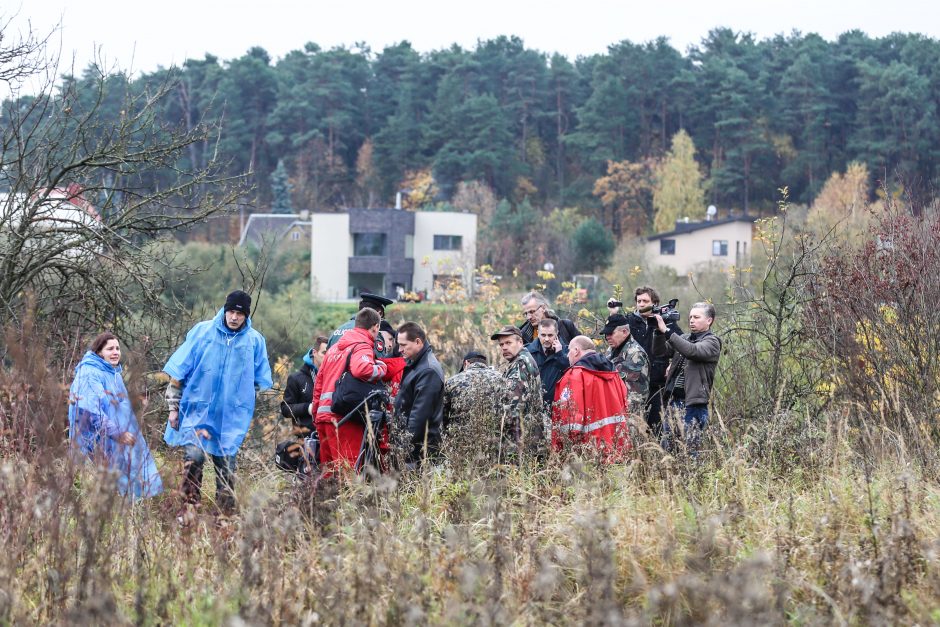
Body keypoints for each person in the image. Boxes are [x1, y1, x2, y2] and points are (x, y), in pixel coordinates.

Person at [163, 290, 272, 516]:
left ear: (247, 316)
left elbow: (258, 381)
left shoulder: (254, 341)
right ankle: (189, 511)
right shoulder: (203, 333)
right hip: (196, 413)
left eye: (239, 314)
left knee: (226, 469)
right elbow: (178, 373)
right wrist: (173, 408)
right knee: (193, 459)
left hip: (229, 420)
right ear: (225, 310)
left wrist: (241, 407)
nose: (234, 317)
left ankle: (225, 520)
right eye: (231, 311)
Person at [68, 332, 163, 499]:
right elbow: (92, 412)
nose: (115, 352)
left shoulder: (113, 373)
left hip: (113, 439)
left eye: (118, 348)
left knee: (125, 478)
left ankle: (129, 511)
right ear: (99, 352)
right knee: (102, 486)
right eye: (110, 349)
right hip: (95, 440)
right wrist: (117, 433)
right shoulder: (90, 373)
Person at [312, 307, 389, 473]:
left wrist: (316, 416)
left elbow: (319, 384)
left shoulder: (333, 349)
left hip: (323, 419)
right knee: (349, 476)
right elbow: (362, 369)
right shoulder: (362, 345)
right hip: (344, 417)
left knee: (329, 475)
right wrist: (382, 367)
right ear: (375, 327)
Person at [611, 286, 682, 434]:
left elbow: (682, 346)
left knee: (656, 428)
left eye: (645, 301)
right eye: (639, 301)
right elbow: (614, 343)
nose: (641, 304)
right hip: (632, 386)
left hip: (657, 386)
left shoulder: (666, 321)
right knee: (631, 428)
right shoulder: (629, 322)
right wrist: (613, 315)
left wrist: (672, 364)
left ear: (655, 303)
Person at [654, 302, 722, 456]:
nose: (691, 320)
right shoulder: (684, 338)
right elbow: (659, 351)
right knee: (668, 450)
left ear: (709, 320)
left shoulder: (712, 342)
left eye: (697, 317)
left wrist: (667, 331)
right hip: (673, 401)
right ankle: (670, 479)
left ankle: (691, 479)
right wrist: (657, 332)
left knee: (690, 451)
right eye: (690, 316)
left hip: (693, 404)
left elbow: (692, 351)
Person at [551, 335, 630, 459]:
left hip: (589, 452)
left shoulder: (575, 375)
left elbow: (571, 420)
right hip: (618, 447)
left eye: (569, 351)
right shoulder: (614, 373)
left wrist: (563, 450)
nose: (567, 355)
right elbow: (625, 405)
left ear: (576, 350)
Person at [442, 351, 511, 461]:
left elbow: (443, 417)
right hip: (494, 442)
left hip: (462, 444)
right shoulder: (502, 379)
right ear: (485, 363)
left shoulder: (452, 381)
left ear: (466, 363)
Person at [395, 322, 445, 468]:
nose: (400, 350)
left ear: (418, 342)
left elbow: (420, 416)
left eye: (404, 345)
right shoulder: (417, 365)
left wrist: (405, 449)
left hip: (420, 452)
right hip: (414, 449)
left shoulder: (428, 370)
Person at [491, 325, 544, 458]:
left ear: (520, 342)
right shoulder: (524, 359)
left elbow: (512, 407)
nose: (504, 347)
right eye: (501, 344)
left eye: (508, 343)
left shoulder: (520, 364)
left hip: (520, 440)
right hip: (530, 436)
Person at [602, 313, 650, 417]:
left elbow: (636, 396)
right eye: (606, 334)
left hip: (630, 415)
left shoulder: (635, 355)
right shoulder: (611, 350)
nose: (607, 337)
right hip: (613, 411)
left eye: (611, 333)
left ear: (624, 332)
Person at [280, 335, 328, 435]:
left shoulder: (334, 376)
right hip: (306, 438)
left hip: (330, 434)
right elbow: (285, 409)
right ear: (314, 353)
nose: (327, 356)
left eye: (329, 353)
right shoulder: (296, 378)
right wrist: (309, 408)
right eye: (324, 353)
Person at [525, 318, 570, 410]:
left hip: (558, 407)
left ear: (557, 333)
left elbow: (569, 373)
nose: (546, 339)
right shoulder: (527, 351)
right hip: (533, 408)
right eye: (543, 335)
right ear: (538, 333)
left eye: (550, 335)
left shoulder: (567, 351)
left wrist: (559, 354)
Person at [327, 292, 395, 351]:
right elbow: (377, 362)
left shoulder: (336, 332)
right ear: (379, 313)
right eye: (381, 319)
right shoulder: (372, 334)